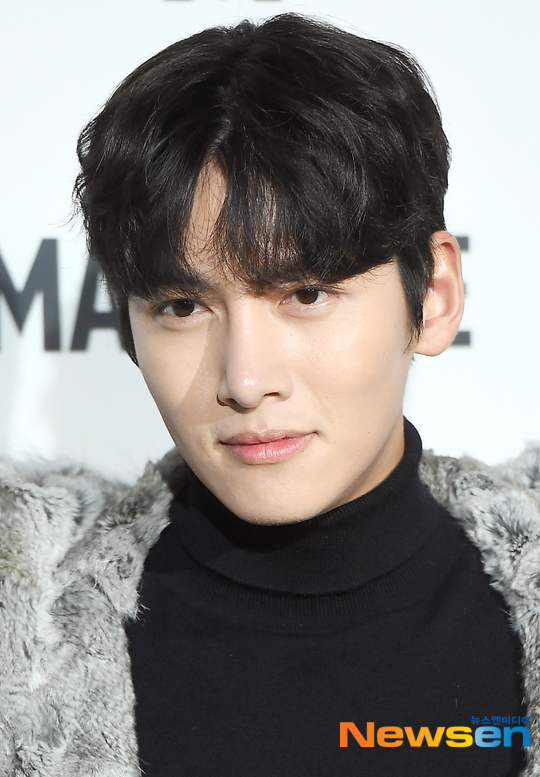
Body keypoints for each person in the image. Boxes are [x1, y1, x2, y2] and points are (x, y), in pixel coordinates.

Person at [0, 12, 538, 777]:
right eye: (182, 307)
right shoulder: (22, 641)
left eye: (306, 293)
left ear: (435, 295)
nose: (246, 380)